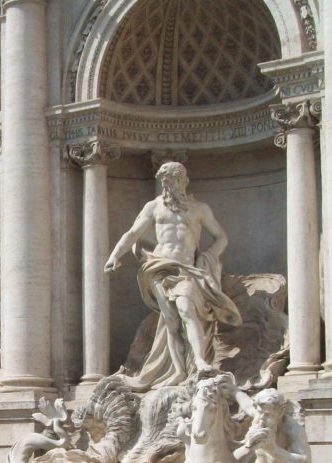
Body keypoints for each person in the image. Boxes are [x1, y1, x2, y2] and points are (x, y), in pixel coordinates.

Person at [104, 161, 242, 391]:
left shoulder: (199, 209)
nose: (171, 185)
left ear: (185, 181)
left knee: (187, 309)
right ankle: (179, 370)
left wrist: (207, 257)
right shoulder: (154, 207)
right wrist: (115, 256)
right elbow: (133, 233)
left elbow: (221, 237)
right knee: (171, 320)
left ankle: (199, 361)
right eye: (167, 181)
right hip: (159, 266)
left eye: (176, 179)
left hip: (186, 269)